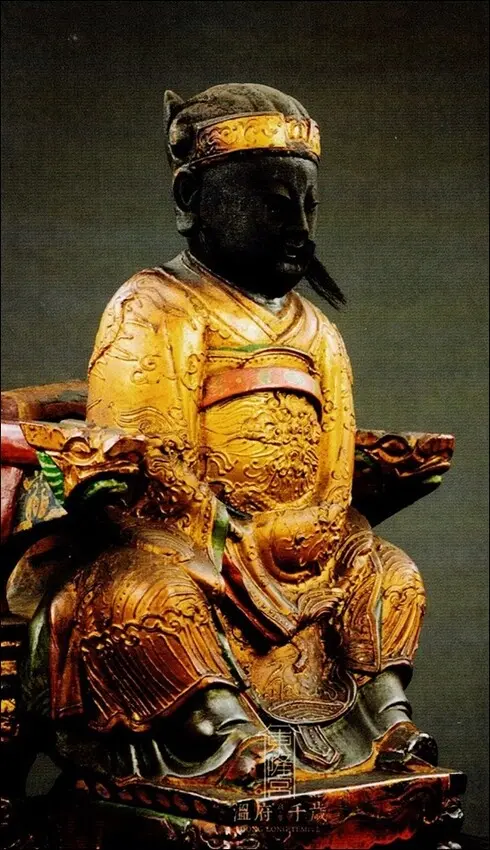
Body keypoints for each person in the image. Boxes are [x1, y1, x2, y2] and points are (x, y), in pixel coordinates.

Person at [22, 84, 436, 788]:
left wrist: (318, 532)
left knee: (390, 570)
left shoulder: (319, 331)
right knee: (144, 596)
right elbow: (149, 459)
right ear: (192, 199)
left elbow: (335, 462)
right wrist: (242, 542)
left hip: (305, 547)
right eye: (274, 207)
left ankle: (385, 718)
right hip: (192, 546)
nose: (299, 227)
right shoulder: (155, 304)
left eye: (308, 207)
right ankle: (224, 728)